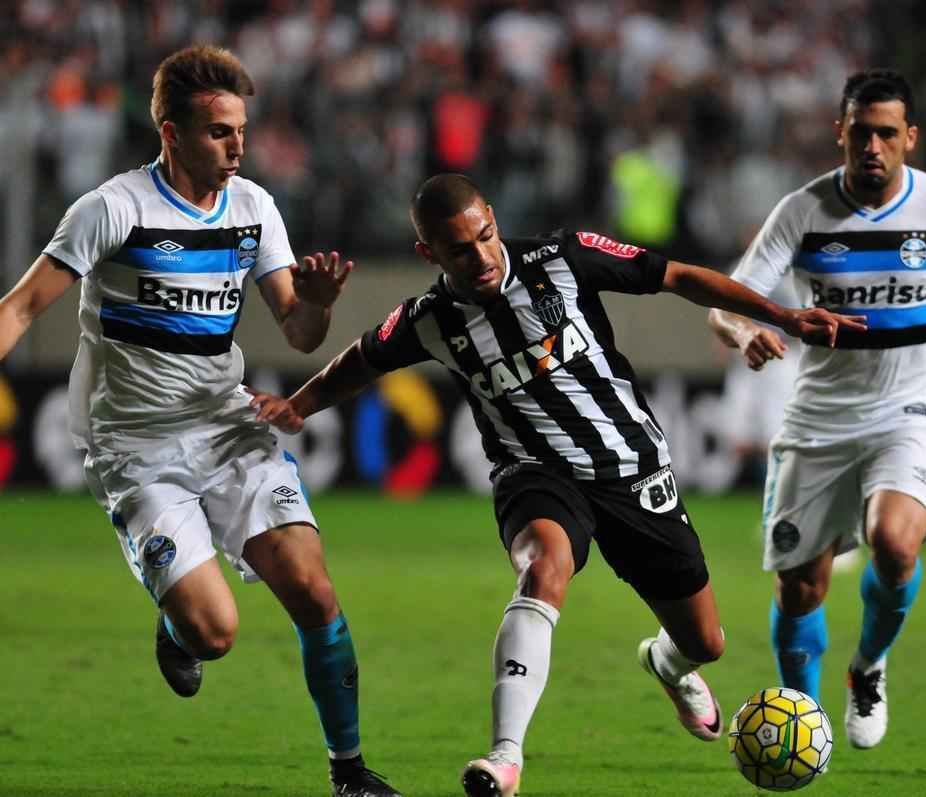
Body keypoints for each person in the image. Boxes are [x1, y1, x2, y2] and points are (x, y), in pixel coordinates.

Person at [248, 173, 865, 797]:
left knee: (705, 641)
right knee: (543, 568)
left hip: (632, 467)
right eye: (460, 249)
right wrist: (298, 406)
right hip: (533, 472)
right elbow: (360, 358)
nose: (481, 256)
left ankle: (669, 663)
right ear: (428, 253)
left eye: (485, 236)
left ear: (493, 216)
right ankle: (505, 757)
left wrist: (782, 314)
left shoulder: (563, 258)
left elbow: (676, 275)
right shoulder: (429, 319)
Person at [0, 46, 400, 797]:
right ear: (170, 132)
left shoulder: (254, 209)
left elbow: (300, 331)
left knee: (314, 590)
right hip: (136, 449)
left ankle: (349, 773)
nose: (238, 146)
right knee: (214, 632)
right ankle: (178, 623)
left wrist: (315, 301)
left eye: (241, 129)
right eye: (219, 131)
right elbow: (20, 307)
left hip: (228, 429)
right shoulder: (113, 209)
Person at [708, 69, 926, 750]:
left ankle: (868, 666)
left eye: (887, 133)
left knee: (895, 542)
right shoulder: (801, 211)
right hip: (817, 423)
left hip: (908, 412)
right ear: (840, 132)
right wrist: (747, 331)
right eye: (860, 132)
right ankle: (803, 722)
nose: (873, 145)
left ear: (909, 138)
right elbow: (726, 300)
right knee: (801, 587)